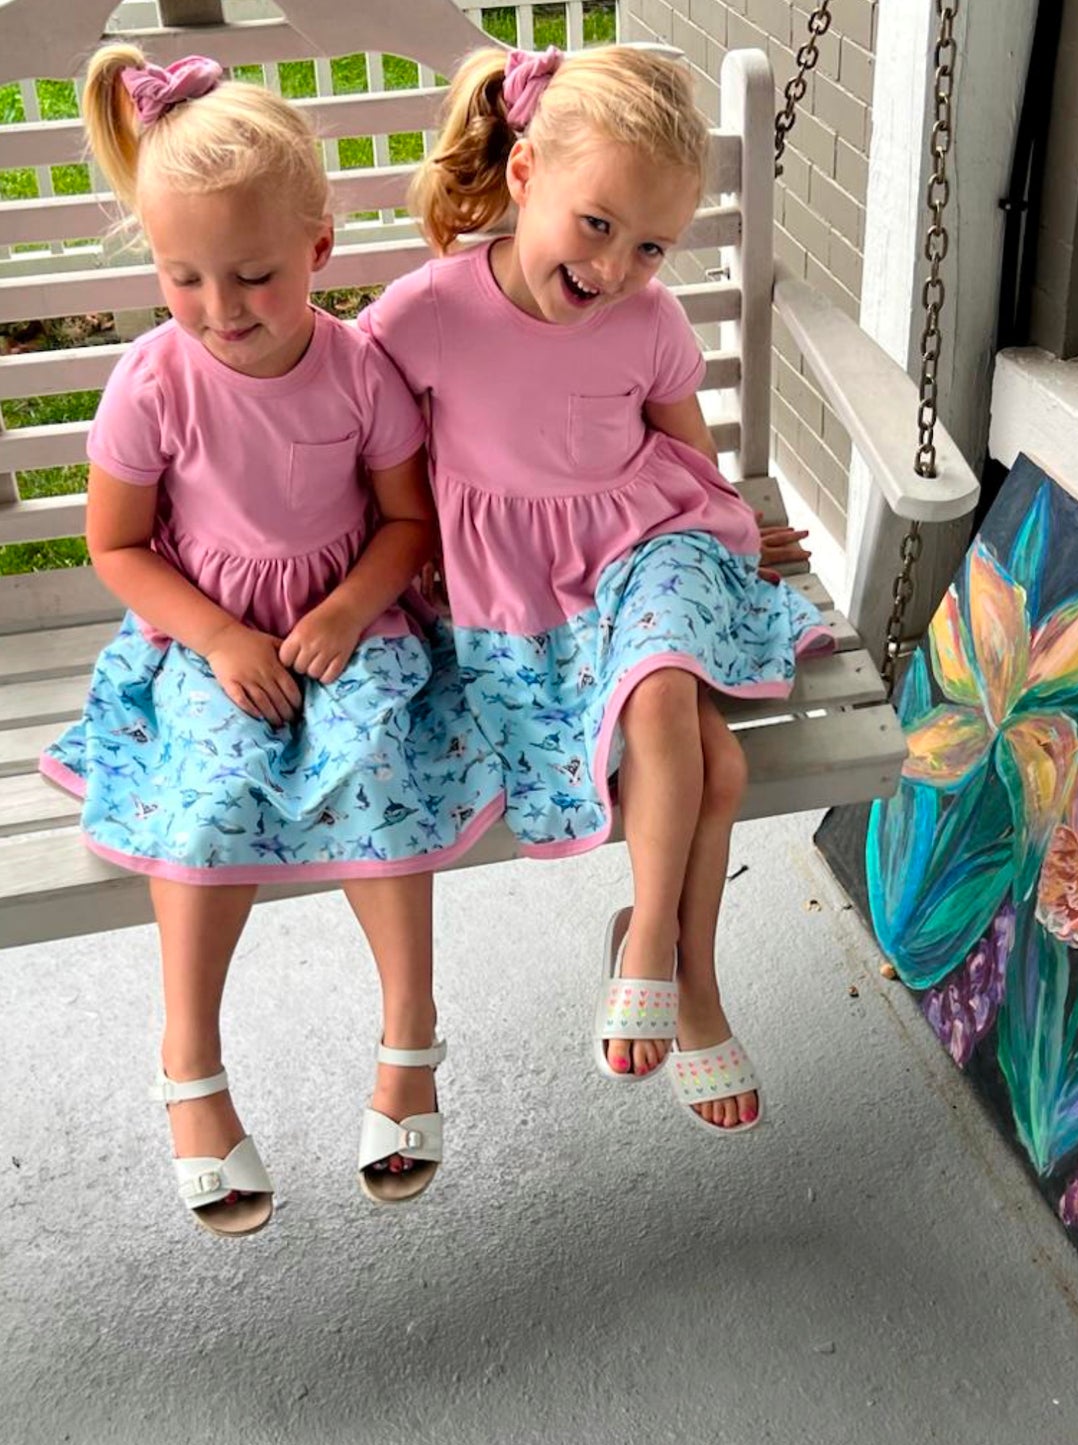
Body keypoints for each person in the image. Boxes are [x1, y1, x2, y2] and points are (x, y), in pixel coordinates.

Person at [41, 47, 505, 1234]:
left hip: (348, 621)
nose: (217, 309)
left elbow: (408, 520)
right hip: (200, 638)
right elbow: (119, 547)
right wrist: (216, 638)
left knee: (377, 765)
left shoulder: (358, 372)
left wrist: (351, 607)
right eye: (181, 276)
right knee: (207, 791)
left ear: (317, 250)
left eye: (249, 275)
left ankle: (411, 1039)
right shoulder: (154, 381)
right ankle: (188, 1066)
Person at [361, 45, 831, 1135]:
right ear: (524, 174)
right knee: (710, 763)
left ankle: (648, 945)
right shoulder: (425, 313)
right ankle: (692, 980)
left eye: (651, 245)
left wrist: (729, 532)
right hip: (511, 581)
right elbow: (365, 448)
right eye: (598, 224)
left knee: (666, 693)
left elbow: (685, 454)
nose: (617, 266)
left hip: (643, 541)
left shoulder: (649, 321)